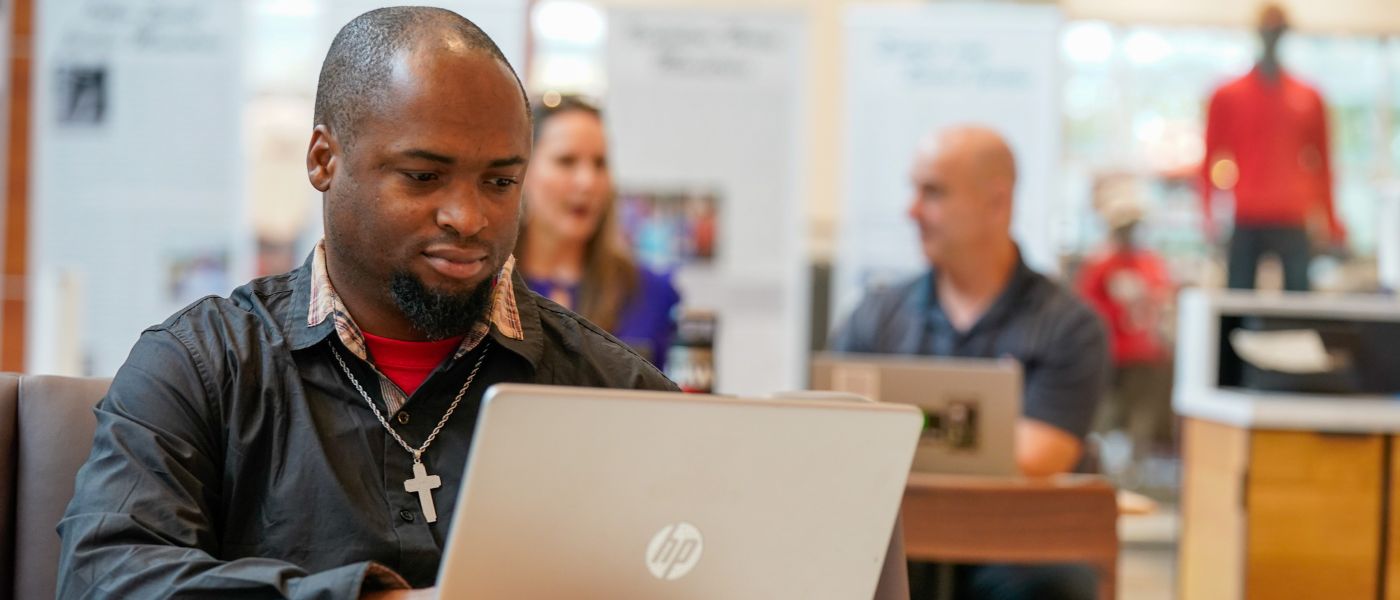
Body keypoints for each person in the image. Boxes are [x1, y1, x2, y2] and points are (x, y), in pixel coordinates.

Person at [55, 8, 678, 599]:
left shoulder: (612, 391)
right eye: (423, 176)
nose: (468, 217)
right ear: (324, 159)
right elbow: (103, 576)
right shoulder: (201, 369)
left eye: (499, 182)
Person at [830, 126, 1109, 600]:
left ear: (996, 203)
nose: (911, 210)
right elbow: (829, 433)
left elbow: (1037, 459)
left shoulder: (1069, 327)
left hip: (1015, 550)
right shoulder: (876, 315)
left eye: (932, 192)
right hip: (892, 540)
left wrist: (893, 440)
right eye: (913, 190)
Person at [515, 96, 680, 368]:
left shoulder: (652, 293)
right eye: (566, 161)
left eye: (599, 164)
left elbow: (672, 404)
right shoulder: (490, 287)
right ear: (523, 170)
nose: (587, 182)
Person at [1202, 3, 1345, 292]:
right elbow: (1210, 159)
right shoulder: (1227, 95)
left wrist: (1331, 221)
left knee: (1297, 306)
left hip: (1293, 216)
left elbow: (1323, 164)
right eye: (1267, 28)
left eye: (1278, 29)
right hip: (1246, 215)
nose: (1272, 35)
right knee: (1237, 303)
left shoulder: (1309, 97)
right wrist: (1207, 213)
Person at [1076, 180, 1175, 481]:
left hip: (1144, 355)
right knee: (1106, 413)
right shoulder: (1099, 265)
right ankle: (1105, 463)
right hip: (1109, 353)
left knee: (1141, 412)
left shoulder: (1150, 264)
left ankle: (1136, 464)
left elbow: (1162, 299)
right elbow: (1085, 307)